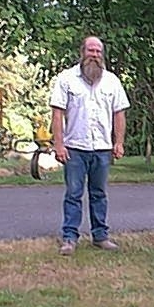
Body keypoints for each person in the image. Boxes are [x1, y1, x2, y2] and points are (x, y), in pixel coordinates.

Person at [50, 36, 130, 255]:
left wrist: (119, 142)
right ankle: (69, 238)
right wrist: (59, 145)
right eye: (90, 50)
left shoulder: (112, 81)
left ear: (102, 54)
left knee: (99, 194)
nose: (94, 55)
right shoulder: (66, 79)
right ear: (82, 52)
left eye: (98, 51)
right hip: (75, 148)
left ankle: (100, 236)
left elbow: (119, 113)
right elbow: (57, 113)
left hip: (102, 149)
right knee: (73, 194)